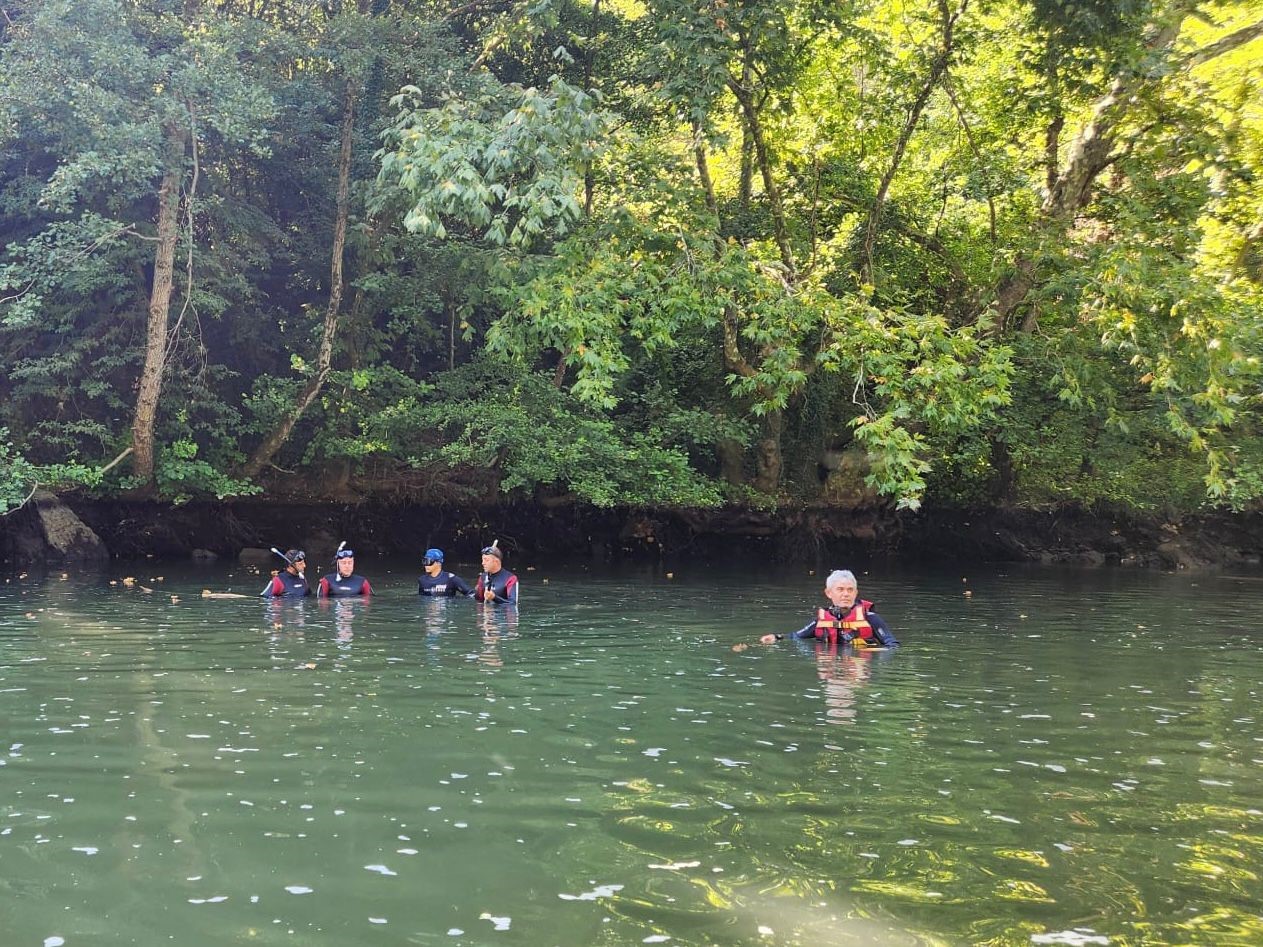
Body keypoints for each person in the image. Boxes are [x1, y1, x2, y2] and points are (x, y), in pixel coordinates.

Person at [759, 569, 897, 647]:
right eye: (840, 589)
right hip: (832, 666)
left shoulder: (871, 618)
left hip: (860, 668)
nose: (846, 594)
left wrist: (875, 659)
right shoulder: (822, 620)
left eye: (850, 590)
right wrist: (776, 637)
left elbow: (893, 645)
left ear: (856, 593)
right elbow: (796, 636)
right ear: (829, 593)